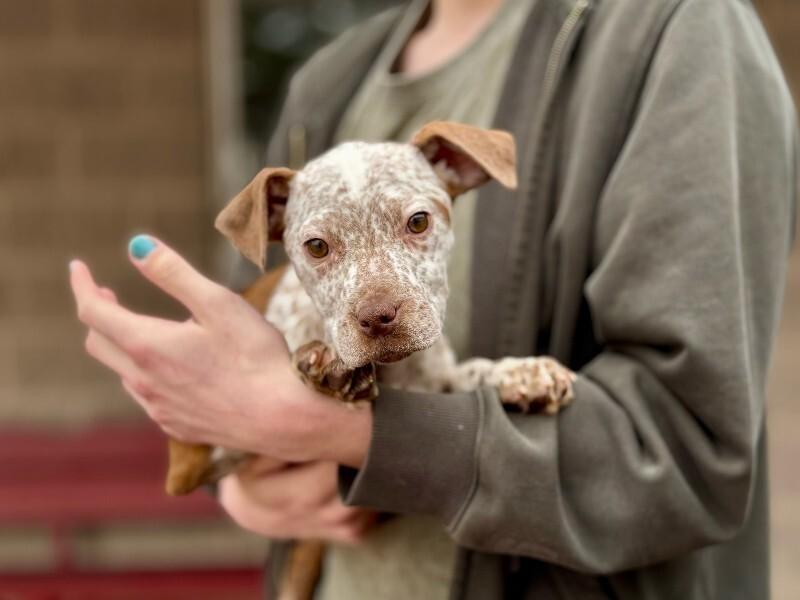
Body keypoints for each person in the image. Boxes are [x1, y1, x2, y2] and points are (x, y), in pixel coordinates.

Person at [70, 0, 798, 598]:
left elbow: (684, 452)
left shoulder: (673, 30)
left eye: (417, 223)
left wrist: (354, 437)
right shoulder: (330, 80)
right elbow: (251, 371)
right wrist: (240, 488)